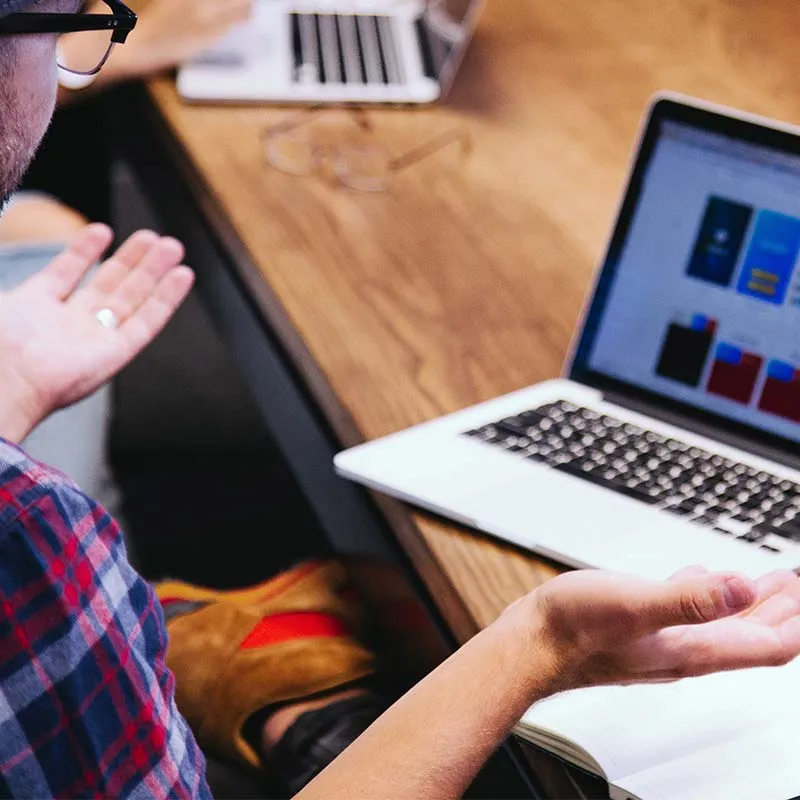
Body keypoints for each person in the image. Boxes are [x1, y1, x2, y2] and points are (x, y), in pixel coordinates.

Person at [4, 2, 800, 798]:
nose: (66, 65)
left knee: (41, 218)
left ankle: (250, 668)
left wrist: (9, 396)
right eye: (64, 32)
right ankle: (260, 679)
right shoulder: (30, 542)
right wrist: (541, 644)